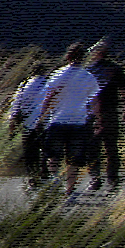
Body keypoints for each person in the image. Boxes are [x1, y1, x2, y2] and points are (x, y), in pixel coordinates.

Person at [36, 42, 103, 203]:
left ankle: (54, 178)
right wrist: (98, 120)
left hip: (58, 121)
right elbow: (95, 101)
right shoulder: (88, 77)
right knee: (74, 159)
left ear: (68, 56)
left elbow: (48, 98)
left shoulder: (58, 74)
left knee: (53, 155)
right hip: (79, 122)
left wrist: (41, 117)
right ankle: (69, 191)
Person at [85, 38, 125, 190]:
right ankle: (112, 179)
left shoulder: (89, 70)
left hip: (92, 113)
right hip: (110, 111)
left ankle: (96, 179)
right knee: (110, 147)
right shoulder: (115, 69)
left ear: (96, 53)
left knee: (94, 147)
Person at [6, 61, 51, 188]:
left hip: (28, 124)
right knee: (46, 151)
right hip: (45, 123)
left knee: (30, 153)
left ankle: (33, 177)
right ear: (43, 72)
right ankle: (45, 174)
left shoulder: (24, 85)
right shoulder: (49, 84)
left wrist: (12, 125)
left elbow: (15, 107)